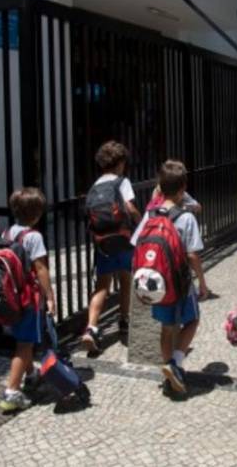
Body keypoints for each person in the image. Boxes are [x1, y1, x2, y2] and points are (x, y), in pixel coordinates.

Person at [132, 160, 208, 394]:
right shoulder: (186, 218)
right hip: (181, 283)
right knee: (192, 320)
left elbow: (137, 243)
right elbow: (192, 254)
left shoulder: (150, 214)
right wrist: (203, 283)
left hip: (158, 283)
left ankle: (168, 369)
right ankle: (175, 363)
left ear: (159, 186)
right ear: (183, 188)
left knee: (167, 327)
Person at [0, 187, 57, 413]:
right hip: (28, 299)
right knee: (24, 345)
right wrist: (49, 296)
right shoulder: (34, 236)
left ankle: (32, 375)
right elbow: (41, 268)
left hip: (11, 297)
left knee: (24, 338)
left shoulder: (8, 233)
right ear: (37, 214)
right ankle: (12, 391)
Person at [82, 141, 141, 354]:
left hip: (103, 243)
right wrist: (141, 223)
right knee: (126, 280)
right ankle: (124, 320)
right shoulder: (122, 182)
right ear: (121, 163)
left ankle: (91, 327)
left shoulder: (95, 186)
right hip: (123, 240)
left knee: (102, 286)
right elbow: (130, 207)